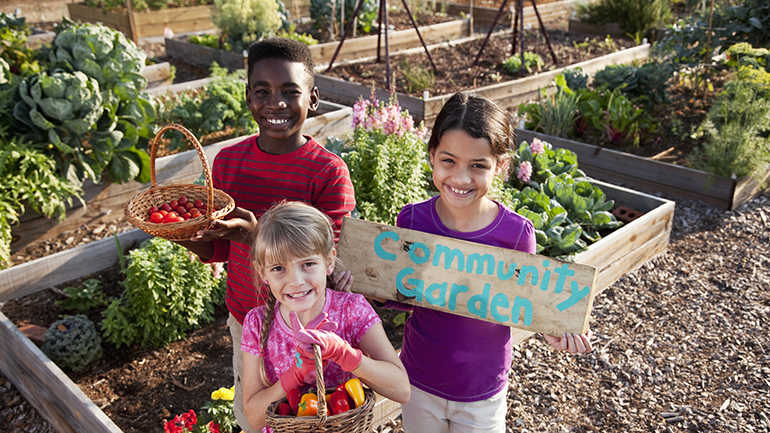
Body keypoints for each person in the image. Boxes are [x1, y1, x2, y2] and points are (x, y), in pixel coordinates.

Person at [378, 92, 593, 433]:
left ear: (501, 166)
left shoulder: (516, 234)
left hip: (482, 390)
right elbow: (404, 290)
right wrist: (371, 289)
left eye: (478, 165)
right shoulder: (413, 219)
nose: (461, 179)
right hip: (419, 378)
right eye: (449, 161)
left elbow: (522, 299)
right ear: (432, 156)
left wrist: (552, 325)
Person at [175, 38, 356, 432]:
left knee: (312, 415)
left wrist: (257, 238)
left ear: (313, 99)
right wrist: (183, 232)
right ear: (248, 98)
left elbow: (323, 258)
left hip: (310, 325)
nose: (276, 103)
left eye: (291, 92)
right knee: (256, 415)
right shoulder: (228, 164)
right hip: (248, 321)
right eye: (263, 92)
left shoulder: (327, 172)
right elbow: (218, 248)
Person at [240, 201, 411, 431]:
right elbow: (254, 417)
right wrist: (295, 375)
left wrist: (345, 354)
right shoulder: (256, 323)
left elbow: (401, 389)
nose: (295, 281)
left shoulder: (351, 310)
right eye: (278, 268)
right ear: (262, 272)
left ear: (329, 261)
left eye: (308, 264)